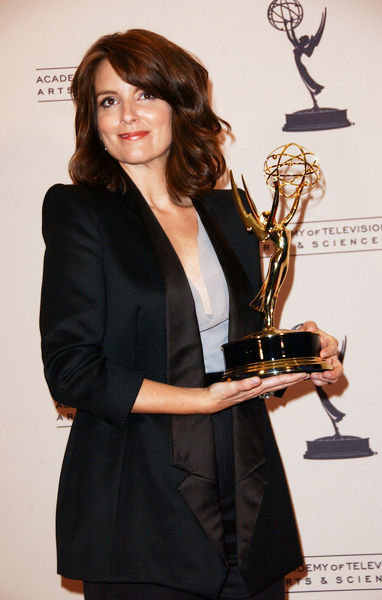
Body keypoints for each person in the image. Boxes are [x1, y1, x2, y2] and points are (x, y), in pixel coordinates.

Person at [40, 29, 342, 600]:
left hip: (246, 488)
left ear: (179, 105)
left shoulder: (230, 213)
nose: (127, 114)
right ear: (92, 119)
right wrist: (200, 400)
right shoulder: (79, 212)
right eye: (108, 100)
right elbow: (71, 370)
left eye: (144, 95)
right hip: (138, 500)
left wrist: (302, 351)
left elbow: (239, 351)